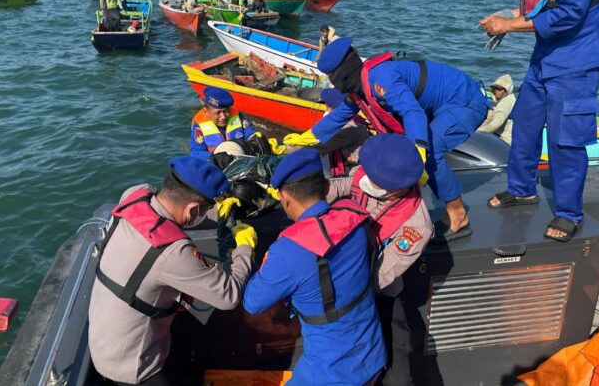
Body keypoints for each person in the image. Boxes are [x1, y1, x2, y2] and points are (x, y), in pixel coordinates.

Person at [479, 0, 599, 241]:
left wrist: (509, 25)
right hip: (547, 56)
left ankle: (570, 213)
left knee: (566, 138)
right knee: (524, 123)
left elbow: (568, 14)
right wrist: (510, 21)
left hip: (578, 59)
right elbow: (542, 3)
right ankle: (521, 190)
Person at [284, 38, 488, 241]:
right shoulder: (359, 85)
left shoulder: (380, 79)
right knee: (407, 146)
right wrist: (306, 138)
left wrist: (418, 151)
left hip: (464, 101)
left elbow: (412, 112)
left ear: (342, 72)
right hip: (438, 105)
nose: (333, 83)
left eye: (332, 76)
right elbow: (340, 115)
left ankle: (458, 215)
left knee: (430, 152)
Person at [88, 157, 256, 386]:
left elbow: (176, 218)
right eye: (206, 210)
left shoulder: (134, 195)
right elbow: (228, 296)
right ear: (194, 209)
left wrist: (221, 219)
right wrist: (245, 247)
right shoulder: (173, 253)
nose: (206, 213)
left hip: (104, 342)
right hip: (133, 367)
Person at [243, 149, 386, 385]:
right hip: (372, 356)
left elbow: (253, 302)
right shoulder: (354, 219)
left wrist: (248, 251)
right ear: (327, 187)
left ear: (284, 198)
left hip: (330, 374)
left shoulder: (289, 250)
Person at [327, 133, 433, 386]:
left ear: (396, 188)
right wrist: (309, 194)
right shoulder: (370, 174)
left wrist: (340, 287)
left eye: (374, 181)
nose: (365, 180)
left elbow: (383, 274)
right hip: (345, 274)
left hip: (377, 291)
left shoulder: (416, 225)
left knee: (396, 366)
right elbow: (343, 186)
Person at [190, 86, 257, 160]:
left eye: (226, 111)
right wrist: (216, 158)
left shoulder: (238, 115)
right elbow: (196, 153)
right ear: (206, 111)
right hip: (217, 164)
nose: (223, 117)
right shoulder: (199, 126)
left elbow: (250, 133)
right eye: (218, 113)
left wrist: (257, 140)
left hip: (242, 158)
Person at [477, 74, 516, 144]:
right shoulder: (497, 102)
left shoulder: (507, 101)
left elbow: (497, 123)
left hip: (504, 142)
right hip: (497, 138)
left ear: (507, 90)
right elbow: (489, 119)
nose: (496, 91)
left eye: (500, 89)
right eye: (495, 88)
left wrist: (477, 133)